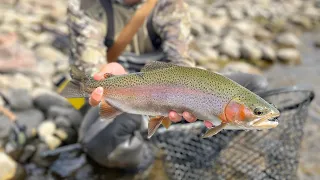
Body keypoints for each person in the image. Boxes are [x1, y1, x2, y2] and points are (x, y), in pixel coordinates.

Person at [66, 0, 269, 172]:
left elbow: (182, 65)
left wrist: (196, 96)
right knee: (105, 148)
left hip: (171, 93)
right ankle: (153, 161)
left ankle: (198, 144)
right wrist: (106, 75)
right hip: (123, 94)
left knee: (257, 85)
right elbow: (90, 66)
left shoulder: (167, 4)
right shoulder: (85, 5)